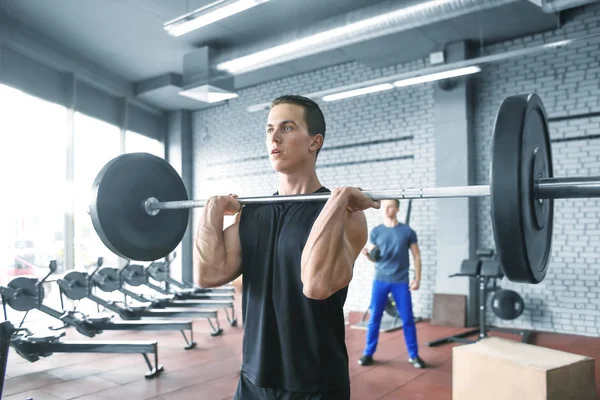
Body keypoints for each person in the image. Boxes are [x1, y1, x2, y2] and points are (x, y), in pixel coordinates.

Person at [194, 94, 380, 400]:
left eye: (287, 127)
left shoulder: (348, 216)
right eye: (269, 130)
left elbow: (317, 285)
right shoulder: (252, 213)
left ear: (314, 142)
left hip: (316, 384)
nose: (274, 137)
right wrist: (212, 210)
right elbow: (208, 275)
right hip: (253, 377)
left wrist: (339, 200)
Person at [357, 199, 426, 368]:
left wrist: (417, 278)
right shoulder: (376, 232)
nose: (386, 209)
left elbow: (416, 255)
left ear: (397, 209)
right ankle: (368, 353)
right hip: (380, 280)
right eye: (384, 207)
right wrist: (368, 255)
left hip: (400, 281)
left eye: (390, 207)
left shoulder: (407, 231)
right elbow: (375, 256)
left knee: (407, 319)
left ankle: (414, 355)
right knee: (374, 318)